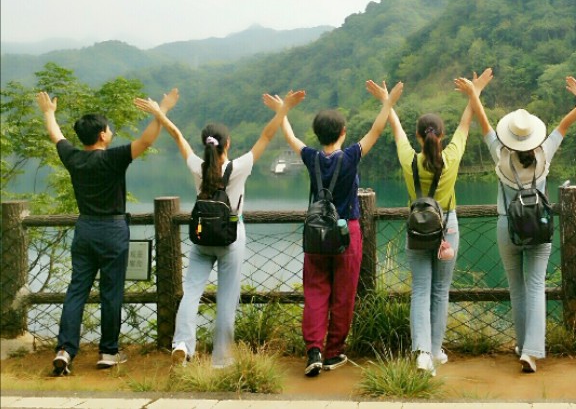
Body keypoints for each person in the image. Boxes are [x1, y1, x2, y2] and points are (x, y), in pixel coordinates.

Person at [138, 89, 305, 368]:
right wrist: (282, 110)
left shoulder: (197, 166)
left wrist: (161, 113)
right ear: (227, 144)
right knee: (227, 298)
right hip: (231, 237)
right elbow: (265, 137)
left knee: (191, 291)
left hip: (202, 237)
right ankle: (221, 359)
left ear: (206, 144)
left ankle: (182, 344)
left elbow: (177, 137)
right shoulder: (239, 167)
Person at [455, 73, 576, 373]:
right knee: (536, 285)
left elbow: (482, 121)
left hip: (506, 226)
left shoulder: (500, 155)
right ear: (534, 137)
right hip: (540, 225)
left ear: (509, 136)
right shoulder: (544, 153)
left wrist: (475, 93)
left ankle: (522, 344)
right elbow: (565, 123)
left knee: (517, 287)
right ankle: (532, 352)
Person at [37, 88, 177, 375]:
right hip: (112, 229)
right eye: (109, 129)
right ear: (102, 135)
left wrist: (49, 113)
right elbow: (147, 140)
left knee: (77, 290)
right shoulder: (113, 159)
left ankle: (65, 350)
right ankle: (108, 352)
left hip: (85, 228)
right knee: (111, 293)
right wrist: (161, 111)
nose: (111, 132)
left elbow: (56, 135)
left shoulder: (73, 158)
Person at [279, 80, 403, 376]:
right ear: (343, 132)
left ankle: (314, 350)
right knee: (343, 295)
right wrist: (386, 102)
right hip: (347, 232)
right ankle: (334, 352)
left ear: (317, 134)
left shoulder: (311, 157)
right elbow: (376, 131)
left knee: (315, 291)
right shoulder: (350, 157)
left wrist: (283, 110)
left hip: (316, 235)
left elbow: (290, 137)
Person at [388, 68, 492, 376]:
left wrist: (388, 103)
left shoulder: (409, 160)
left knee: (420, 289)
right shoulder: (452, 157)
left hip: (416, 229)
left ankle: (421, 354)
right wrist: (475, 93)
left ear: (418, 137)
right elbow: (466, 123)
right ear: (441, 137)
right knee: (440, 291)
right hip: (448, 229)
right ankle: (435, 350)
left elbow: (395, 130)